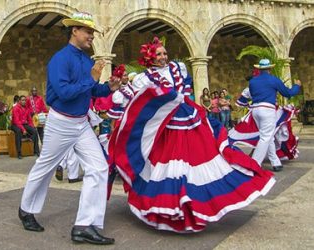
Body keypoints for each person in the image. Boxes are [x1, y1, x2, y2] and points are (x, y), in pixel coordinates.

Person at [107, 37, 275, 233]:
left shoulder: (178, 68)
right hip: (167, 128)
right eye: (159, 54)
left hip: (190, 120)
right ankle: (174, 205)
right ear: (150, 58)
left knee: (200, 159)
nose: (163, 57)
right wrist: (121, 88)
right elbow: (121, 97)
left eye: (164, 53)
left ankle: (196, 203)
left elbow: (184, 89)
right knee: (170, 165)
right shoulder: (144, 78)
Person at [18, 12, 120, 245]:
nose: (91, 36)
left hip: (81, 123)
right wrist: (92, 80)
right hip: (60, 122)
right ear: (74, 30)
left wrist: (108, 87)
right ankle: (26, 209)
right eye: (88, 31)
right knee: (45, 166)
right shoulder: (60, 59)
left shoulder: (86, 61)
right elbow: (63, 93)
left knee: (99, 167)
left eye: (92, 32)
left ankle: (84, 225)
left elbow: (92, 91)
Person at [248, 59, 301, 171]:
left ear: (259, 68)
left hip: (256, 110)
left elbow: (253, 95)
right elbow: (288, 93)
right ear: (270, 68)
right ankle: (254, 164)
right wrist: (296, 86)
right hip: (267, 109)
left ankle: (275, 162)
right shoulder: (273, 80)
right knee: (265, 137)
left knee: (268, 136)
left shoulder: (253, 81)